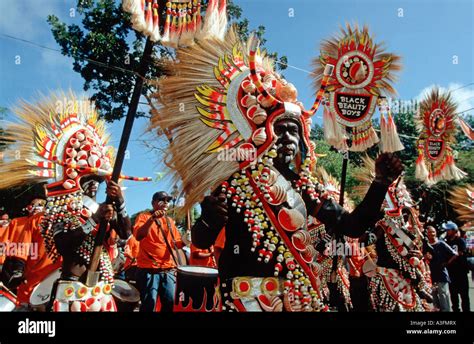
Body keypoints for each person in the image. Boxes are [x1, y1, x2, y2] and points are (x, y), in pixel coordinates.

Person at [150, 27, 403, 311]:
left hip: (299, 299)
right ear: (262, 133)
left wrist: (380, 183)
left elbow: (352, 226)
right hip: (246, 299)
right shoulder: (235, 183)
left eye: (294, 132)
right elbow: (201, 239)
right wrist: (209, 218)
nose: (287, 139)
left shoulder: (306, 188)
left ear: (304, 141)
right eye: (280, 130)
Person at [133, 191, 185, 312]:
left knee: (170, 303)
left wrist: (185, 240)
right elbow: (139, 236)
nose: (166, 203)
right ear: (153, 203)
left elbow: (175, 244)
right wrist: (152, 219)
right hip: (149, 270)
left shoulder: (170, 221)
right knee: (149, 305)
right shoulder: (143, 217)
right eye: (162, 199)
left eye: (168, 200)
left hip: (168, 270)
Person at [0, 198, 46, 294]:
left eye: (39, 205)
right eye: (32, 204)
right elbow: (4, 242)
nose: (35, 207)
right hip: (12, 263)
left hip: (33, 264)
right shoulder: (16, 221)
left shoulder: (46, 223)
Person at [425, 226, 457, 312]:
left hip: (442, 275)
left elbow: (454, 254)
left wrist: (446, 263)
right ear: (426, 234)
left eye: (433, 232)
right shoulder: (425, 245)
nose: (432, 234)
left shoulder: (441, 244)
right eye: (430, 232)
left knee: (444, 297)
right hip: (431, 276)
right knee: (434, 299)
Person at [443, 221, 470, 312]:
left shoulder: (460, 241)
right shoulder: (445, 241)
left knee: (464, 295)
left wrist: (448, 262)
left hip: (461, 271)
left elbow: (460, 253)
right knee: (453, 294)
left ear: (454, 231)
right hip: (451, 272)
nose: (446, 231)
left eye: (448, 230)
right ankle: (456, 310)